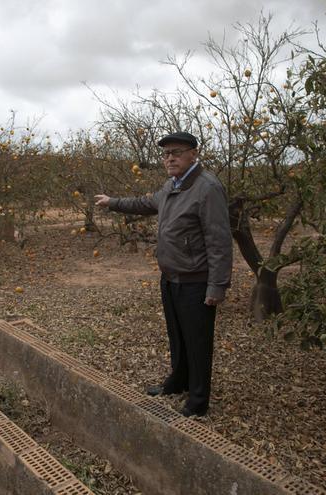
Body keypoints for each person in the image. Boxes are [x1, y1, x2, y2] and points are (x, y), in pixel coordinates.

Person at [94, 131, 232, 417]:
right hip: (171, 277)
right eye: (166, 154)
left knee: (197, 342)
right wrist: (112, 202)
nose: (170, 158)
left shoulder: (207, 188)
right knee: (178, 336)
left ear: (194, 154)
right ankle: (178, 381)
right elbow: (146, 204)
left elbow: (219, 241)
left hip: (195, 280)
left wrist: (217, 286)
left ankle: (198, 400)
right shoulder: (171, 185)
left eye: (177, 152)